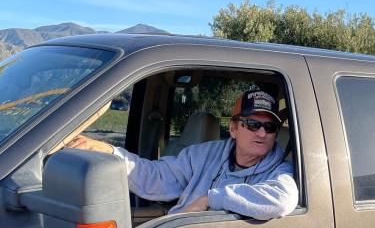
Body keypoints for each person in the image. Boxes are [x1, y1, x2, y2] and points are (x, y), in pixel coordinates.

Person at [68, 88, 298, 220]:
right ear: (233, 129)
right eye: (252, 124)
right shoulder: (206, 154)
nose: (262, 133)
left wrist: (210, 198)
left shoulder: (279, 170)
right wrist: (110, 153)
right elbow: (157, 178)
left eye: (270, 127)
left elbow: (283, 200)